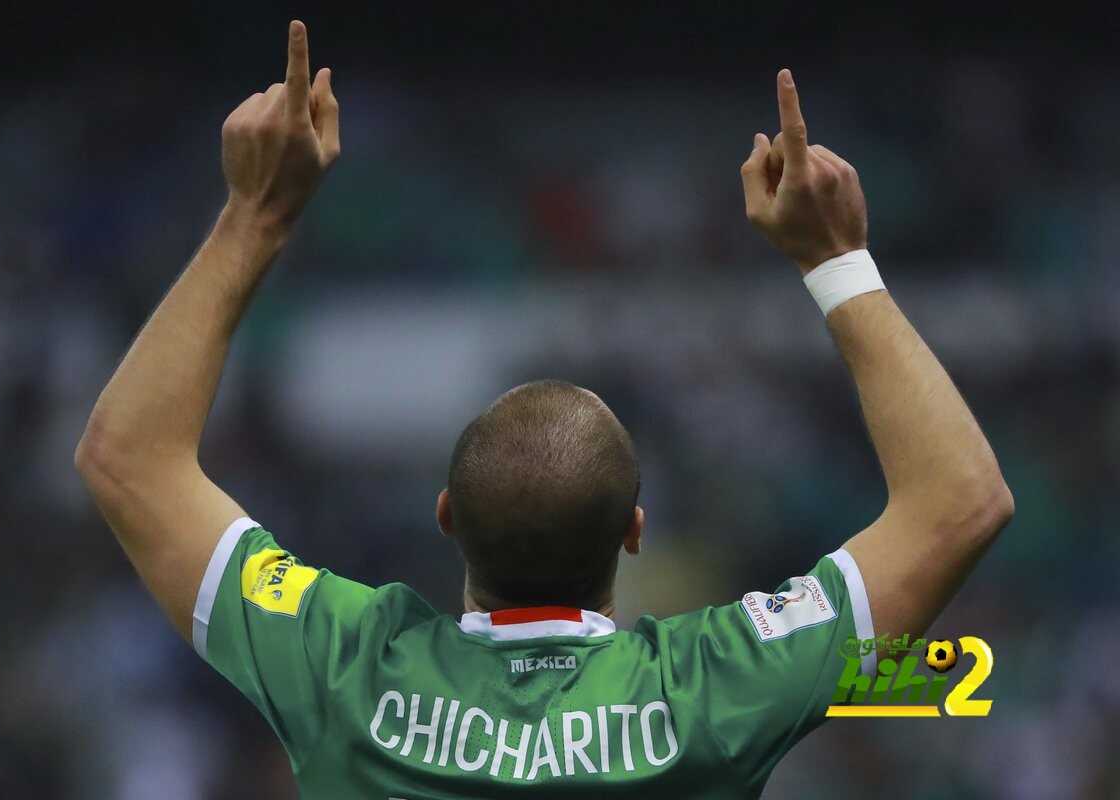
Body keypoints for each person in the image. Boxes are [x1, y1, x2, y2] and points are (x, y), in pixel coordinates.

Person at [75, 20, 1014, 798]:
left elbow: (129, 458)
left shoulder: (342, 667)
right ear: (634, 532)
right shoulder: (720, 689)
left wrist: (255, 214)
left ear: (446, 517)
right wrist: (837, 260)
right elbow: (961, 505)